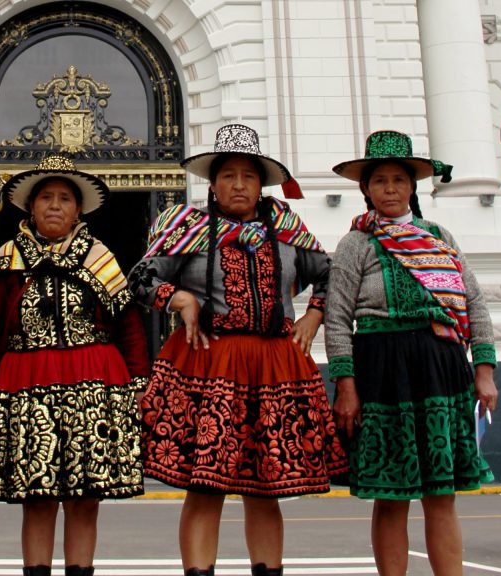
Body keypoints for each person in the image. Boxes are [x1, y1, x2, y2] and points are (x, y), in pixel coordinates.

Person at [129, 124, 347, 576]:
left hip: (273, 367)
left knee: (264, 486)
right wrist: (179, 298)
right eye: (229, 176)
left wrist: (314, 315)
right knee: (204, 486)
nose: (239, 185)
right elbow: (141, 278)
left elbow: (330, 272)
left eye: (248, 176)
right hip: (208, 364)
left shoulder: (286, 229)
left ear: (261, 183)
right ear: (213, 184)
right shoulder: (187, 228)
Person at [324, 130, 498, 576]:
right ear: (365, 189)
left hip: (440, 367)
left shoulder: (439, 237)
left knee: (441, 494)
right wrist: (346, 386)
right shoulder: (355, 244)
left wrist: (485, 370)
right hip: (382, 372)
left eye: (398, 180)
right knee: (392, 495)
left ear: (411, 186)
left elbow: (473, 302)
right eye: (379, 180)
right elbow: (338, 318)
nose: (389, 189)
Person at [0, 155, 149, 576]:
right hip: (25, 381)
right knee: (37, 498)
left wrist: (140, 383)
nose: (55, 206)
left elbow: (128, 325)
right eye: (46, 198)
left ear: (78, 210)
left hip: (94, 381)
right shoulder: (7, 259)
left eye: (64, 199)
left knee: (85, 497)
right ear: (31, 208)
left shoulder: (99, 257)